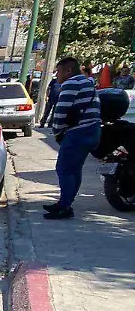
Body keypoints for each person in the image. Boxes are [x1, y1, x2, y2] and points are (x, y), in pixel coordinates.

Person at [44, 56, 102, 219]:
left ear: (68, 71)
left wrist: (57, 132)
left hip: (78, 132)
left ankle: (64, 207)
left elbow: (61, 111)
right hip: (93, 130)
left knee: (64, 169)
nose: (57, 76)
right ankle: (65, 202)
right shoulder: (88, 82)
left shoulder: (71, 84)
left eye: (58, 72)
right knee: (74, 169)